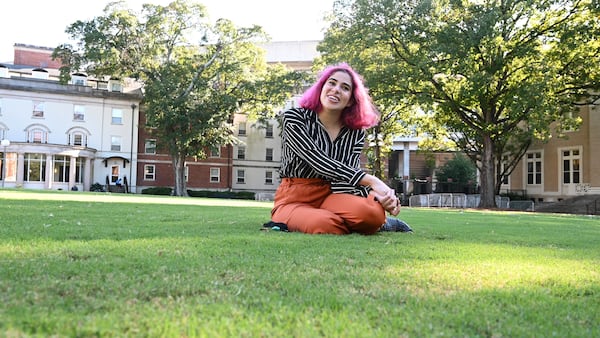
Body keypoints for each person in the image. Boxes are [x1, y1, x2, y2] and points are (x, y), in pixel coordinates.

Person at [268, 62, 412, 235]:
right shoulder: (294, 118)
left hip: (333, 194)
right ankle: (298, 218)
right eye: (332, 83)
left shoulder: (355, 132)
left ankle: (375, 222)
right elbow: (318, 160)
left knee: (372, 213)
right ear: (322, 87)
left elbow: (348, 175)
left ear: (351, 99)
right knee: (324, 223)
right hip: (294, 196)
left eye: (345, 88)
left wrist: (380, 196)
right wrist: (374, 182)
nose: (336, 89)